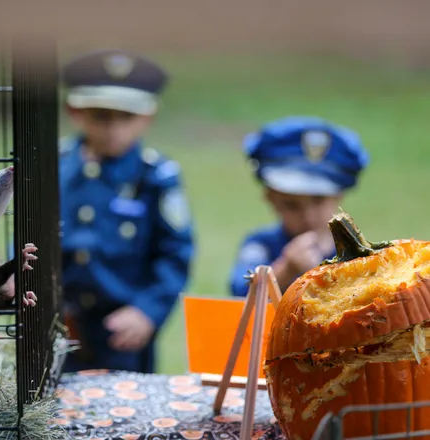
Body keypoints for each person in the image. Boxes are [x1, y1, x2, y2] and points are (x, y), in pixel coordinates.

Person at [57, 48, 195, 374]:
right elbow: (24, 236)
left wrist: (148, 311)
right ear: (75, 110)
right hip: (56, 326)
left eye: (126, 117)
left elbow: (175, 253)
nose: (113, 128)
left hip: (124, 331)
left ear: (148, 117)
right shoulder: (53, 168)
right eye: (101, 115)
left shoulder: (155, 176)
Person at [229, 115, 369, 297]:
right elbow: (241, 295)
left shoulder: (357, 254)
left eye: (318, 201)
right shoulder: (260, 246)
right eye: (291, 205)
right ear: (271, 198)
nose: (308, 216)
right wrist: (285, 270)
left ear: (339, 195)